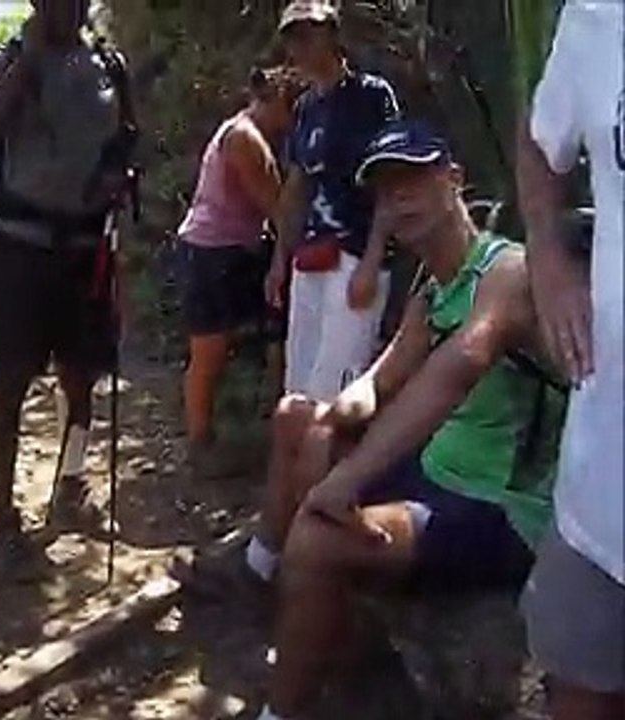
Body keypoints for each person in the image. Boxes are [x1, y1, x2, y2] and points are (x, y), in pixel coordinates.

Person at [194, 122, 561, 720]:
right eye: (387, 189)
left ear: (455, 180)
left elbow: (460, 366)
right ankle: (263, 579)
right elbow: (383, 377)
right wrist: (341, 414)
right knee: (296, 418)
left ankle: (280, 709)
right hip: (435, 470)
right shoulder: (430, 288)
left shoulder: (505, 272)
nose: (401, 197)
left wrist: (347, 474)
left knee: (316, 536)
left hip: (495, 502)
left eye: (415, 178)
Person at [0, 0, 136, 556]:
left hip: (85, 250)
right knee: (8, 382)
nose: (69, 7)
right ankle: (5, 515)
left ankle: (71, 484)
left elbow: (127, 138)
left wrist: (113, 177)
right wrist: (25, 70)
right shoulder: (5, 63)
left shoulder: (110, 65)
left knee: (81, 375)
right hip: (20, 250)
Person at [517, 2, 625, 717]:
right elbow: (537, 142)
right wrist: (549, 259)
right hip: (604, 481)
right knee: (580, 680)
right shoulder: (596, 15)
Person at [270, 1, 403, 402]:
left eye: (310, 34)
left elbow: (391, 179)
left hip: (355, 254)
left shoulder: (371, 96)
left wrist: (374, 257)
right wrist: (279, 258)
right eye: (293, 38)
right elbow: (297, 186)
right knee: (298, 389)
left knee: (336, 391)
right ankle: (299, 463)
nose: (301, 47)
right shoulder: (306, 107)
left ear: (332, 33)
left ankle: (335, 465)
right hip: (310, 256)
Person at [176, 66, 306, 474]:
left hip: (232, 247)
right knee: (209, 348)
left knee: (266, 335)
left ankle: (252, 427)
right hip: (213, 251)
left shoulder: (248, 134)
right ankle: (199, 442)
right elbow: (277, 207)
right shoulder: (245, 139)